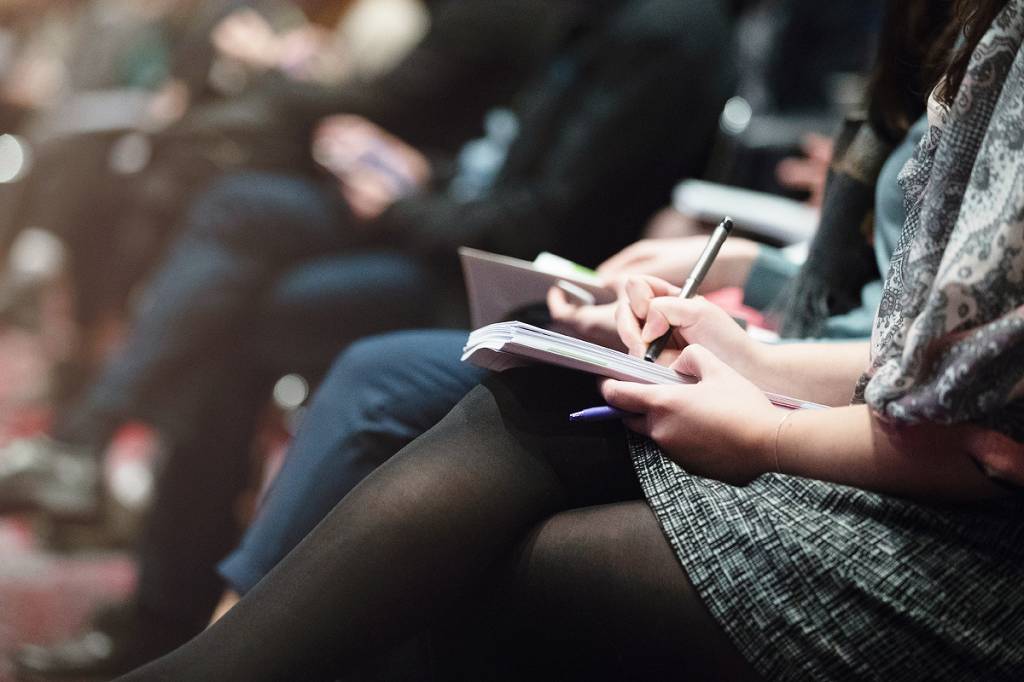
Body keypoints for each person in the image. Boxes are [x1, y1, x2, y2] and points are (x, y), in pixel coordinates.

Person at [108, 0, 1024, 679]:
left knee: (462, 502)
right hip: (861, 403)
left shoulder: (668, 32)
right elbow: (918, 355)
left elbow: (980, 433)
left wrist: (768, 415)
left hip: (970, 552)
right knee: (499, 383)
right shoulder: (969, 34)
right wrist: (750, 352)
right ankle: (193, 633)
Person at [7, 1, 740, 678]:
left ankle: (195, 628)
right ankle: (179, 614)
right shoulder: (591, 16)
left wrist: (405, 200)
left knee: (247, 320)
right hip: (449, 230)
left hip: (514, 286)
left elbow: (543, 223)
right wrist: (419, 177)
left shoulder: (659, 31)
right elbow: (501, 165)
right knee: (232, 232)